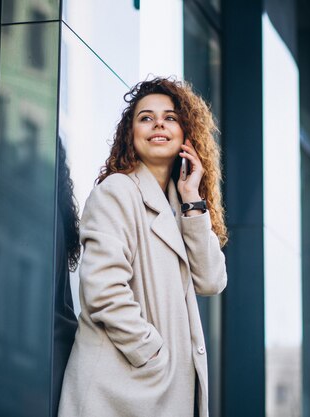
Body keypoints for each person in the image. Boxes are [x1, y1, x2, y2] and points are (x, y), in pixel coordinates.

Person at [58, 77, 228, 417]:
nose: (158, 124)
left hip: (158, 393)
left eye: (170, 117)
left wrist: (193, 200)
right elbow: (103, 290)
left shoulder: (179, 206)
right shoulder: (118, 191)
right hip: (120, 391)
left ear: (186, 135)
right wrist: (152, 354)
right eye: (145, 117)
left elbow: (211, 281)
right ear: (131, 134)